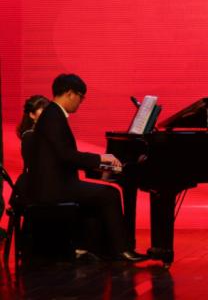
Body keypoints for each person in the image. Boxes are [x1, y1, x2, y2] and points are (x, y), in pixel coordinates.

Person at [27, 74, 144, 262]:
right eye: (81, 97)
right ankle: (121, 250)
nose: (80, 102)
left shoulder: (52, 114)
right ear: (70, 93)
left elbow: (65, 155)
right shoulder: (53, 116)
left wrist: (100, 163)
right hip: (54, 188)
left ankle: (99, 248)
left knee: (101, 194)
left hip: (55, 183)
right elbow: (66, 155)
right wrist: (102, 160)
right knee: (110, 194)